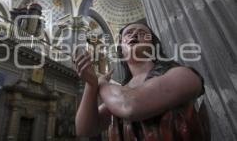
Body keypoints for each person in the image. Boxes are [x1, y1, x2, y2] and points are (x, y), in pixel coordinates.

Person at [74, 21, 210, 141]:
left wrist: (101, 83)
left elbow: (130, 105)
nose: (134, 35)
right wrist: (91, 85)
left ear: (154, 45)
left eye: (142, 32)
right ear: (120, 49)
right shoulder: (119, 92)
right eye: (128, 33)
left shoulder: (182, 74)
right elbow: (85, 129)